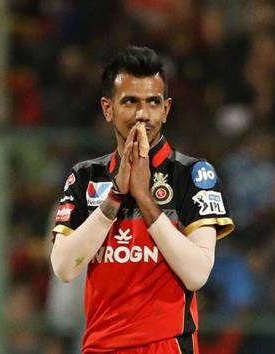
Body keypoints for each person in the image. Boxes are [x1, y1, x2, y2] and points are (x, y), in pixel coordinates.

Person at [50, 46, 235, 354]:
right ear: (108, 108)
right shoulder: (86, 176)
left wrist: (145, 200)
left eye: (153, 102)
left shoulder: (192, 174)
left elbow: (197, 274)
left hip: (166, 346)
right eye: (130, 102)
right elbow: (64, 268)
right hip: (100, 346)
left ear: (166, 108)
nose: (142, 113)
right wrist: (114, 199)